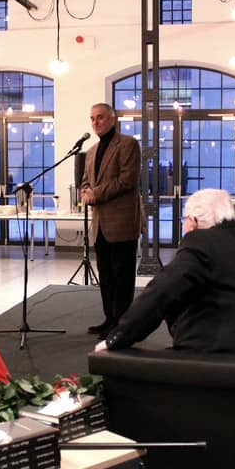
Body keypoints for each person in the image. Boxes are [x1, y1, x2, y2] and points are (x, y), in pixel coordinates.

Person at [95, 189, 235, 352]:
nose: (183, 226)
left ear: (194, 221)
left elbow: (160, 292)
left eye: (184, 219)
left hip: (217, 351)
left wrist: (118, 337)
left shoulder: (201, 242)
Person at [80, 102, 145, 336]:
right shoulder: (91, 151)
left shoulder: (128, 144)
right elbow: (85, 181)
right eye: (92, 118)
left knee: (122, 277)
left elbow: (127, 180)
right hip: (100, 225)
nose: (96, 122)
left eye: (100, 117)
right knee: (106, 276)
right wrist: (85, 192)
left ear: (112, 119)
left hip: (122, 222)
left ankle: (122, 325)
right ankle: (110, 319)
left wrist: (95, 194)